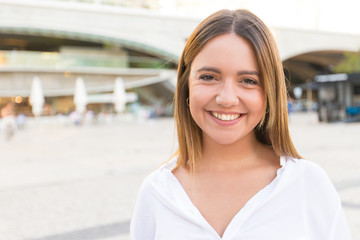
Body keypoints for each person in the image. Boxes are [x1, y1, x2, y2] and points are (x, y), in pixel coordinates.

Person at [130, 9, 352, 239]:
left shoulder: (308, 185)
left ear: (269, 92)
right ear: (187, 85)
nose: (226, 98)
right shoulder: (157, 192)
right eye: (208, 77)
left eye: (248, 81)